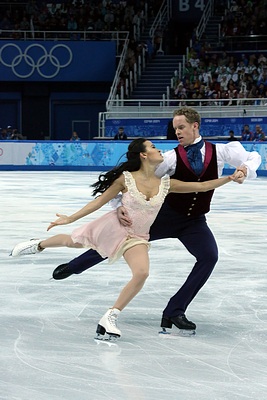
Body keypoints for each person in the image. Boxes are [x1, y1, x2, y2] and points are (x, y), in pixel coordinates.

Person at [52, 107, 261, 335]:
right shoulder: (170, 158)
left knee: (209, 256)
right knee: (121, 239)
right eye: (175, 129)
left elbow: (253, 156)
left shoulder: (221, 151)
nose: (177, 132)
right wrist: (119, 205)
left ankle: (175, 310)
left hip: (194, 221)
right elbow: (137, 180)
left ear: (195, 126)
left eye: (181, 127)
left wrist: (244, 169)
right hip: (164, 216)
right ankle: (75, 265)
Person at [10, 138, 236, 339]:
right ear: (144, 155)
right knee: (73, 241)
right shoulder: (125, 179)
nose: (160, 151)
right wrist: (69, 218)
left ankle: (110, 316)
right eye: (154, 147)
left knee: (142, 273)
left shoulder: (166, 183)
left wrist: (230, 178)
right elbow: (98, 202)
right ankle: (38, 245)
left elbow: (203, 185)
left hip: (137, 236)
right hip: (115, 227)